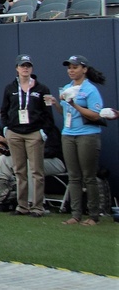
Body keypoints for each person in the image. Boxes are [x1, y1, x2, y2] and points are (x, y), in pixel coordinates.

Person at [45, 55, 105, 225]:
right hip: (68, 134)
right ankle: (75, 214)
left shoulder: (90, 90)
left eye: (75, 67)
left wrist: (74, 104)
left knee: (89, 176)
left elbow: (95, 115)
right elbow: (66, 114)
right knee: (73, 176)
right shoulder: (66, 87)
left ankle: (93, 215)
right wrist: (56, 103)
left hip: (87, 135)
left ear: (84, 69)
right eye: (69, 68)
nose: (71, 70)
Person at [0, 55, 53, 216]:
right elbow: (4, 110)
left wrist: (43, 132)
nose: (25, 68)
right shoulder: (10, 88)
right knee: (19, 170)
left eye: (28, 66)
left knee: (36, 171)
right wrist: (6, 128)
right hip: (15, 133)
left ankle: (37, 207)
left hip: (33, 133)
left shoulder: (42, 89)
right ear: (17, 68)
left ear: (32, 68)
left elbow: (48, 114)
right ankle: (22, 206)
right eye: (22, 66)